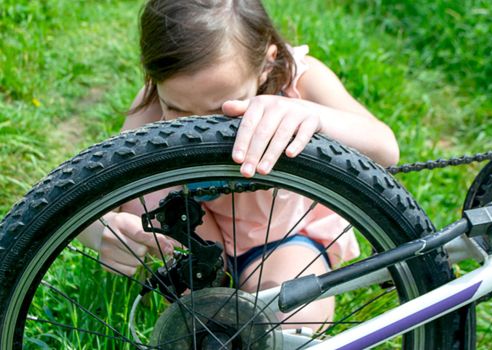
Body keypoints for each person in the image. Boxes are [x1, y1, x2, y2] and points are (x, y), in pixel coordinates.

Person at [78, 0, 399, 330]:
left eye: (221, 109)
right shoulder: (151, 103)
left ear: (265, 65)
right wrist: (104, 232)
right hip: (193, 240)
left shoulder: (298, 82)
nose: (201, 129)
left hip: (280, 238)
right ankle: (202, 288)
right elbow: (90, 194)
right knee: (140, 188)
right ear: (153, 77)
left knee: (291, 319)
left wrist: (312, 116)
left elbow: (385, 149)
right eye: (178, 110)